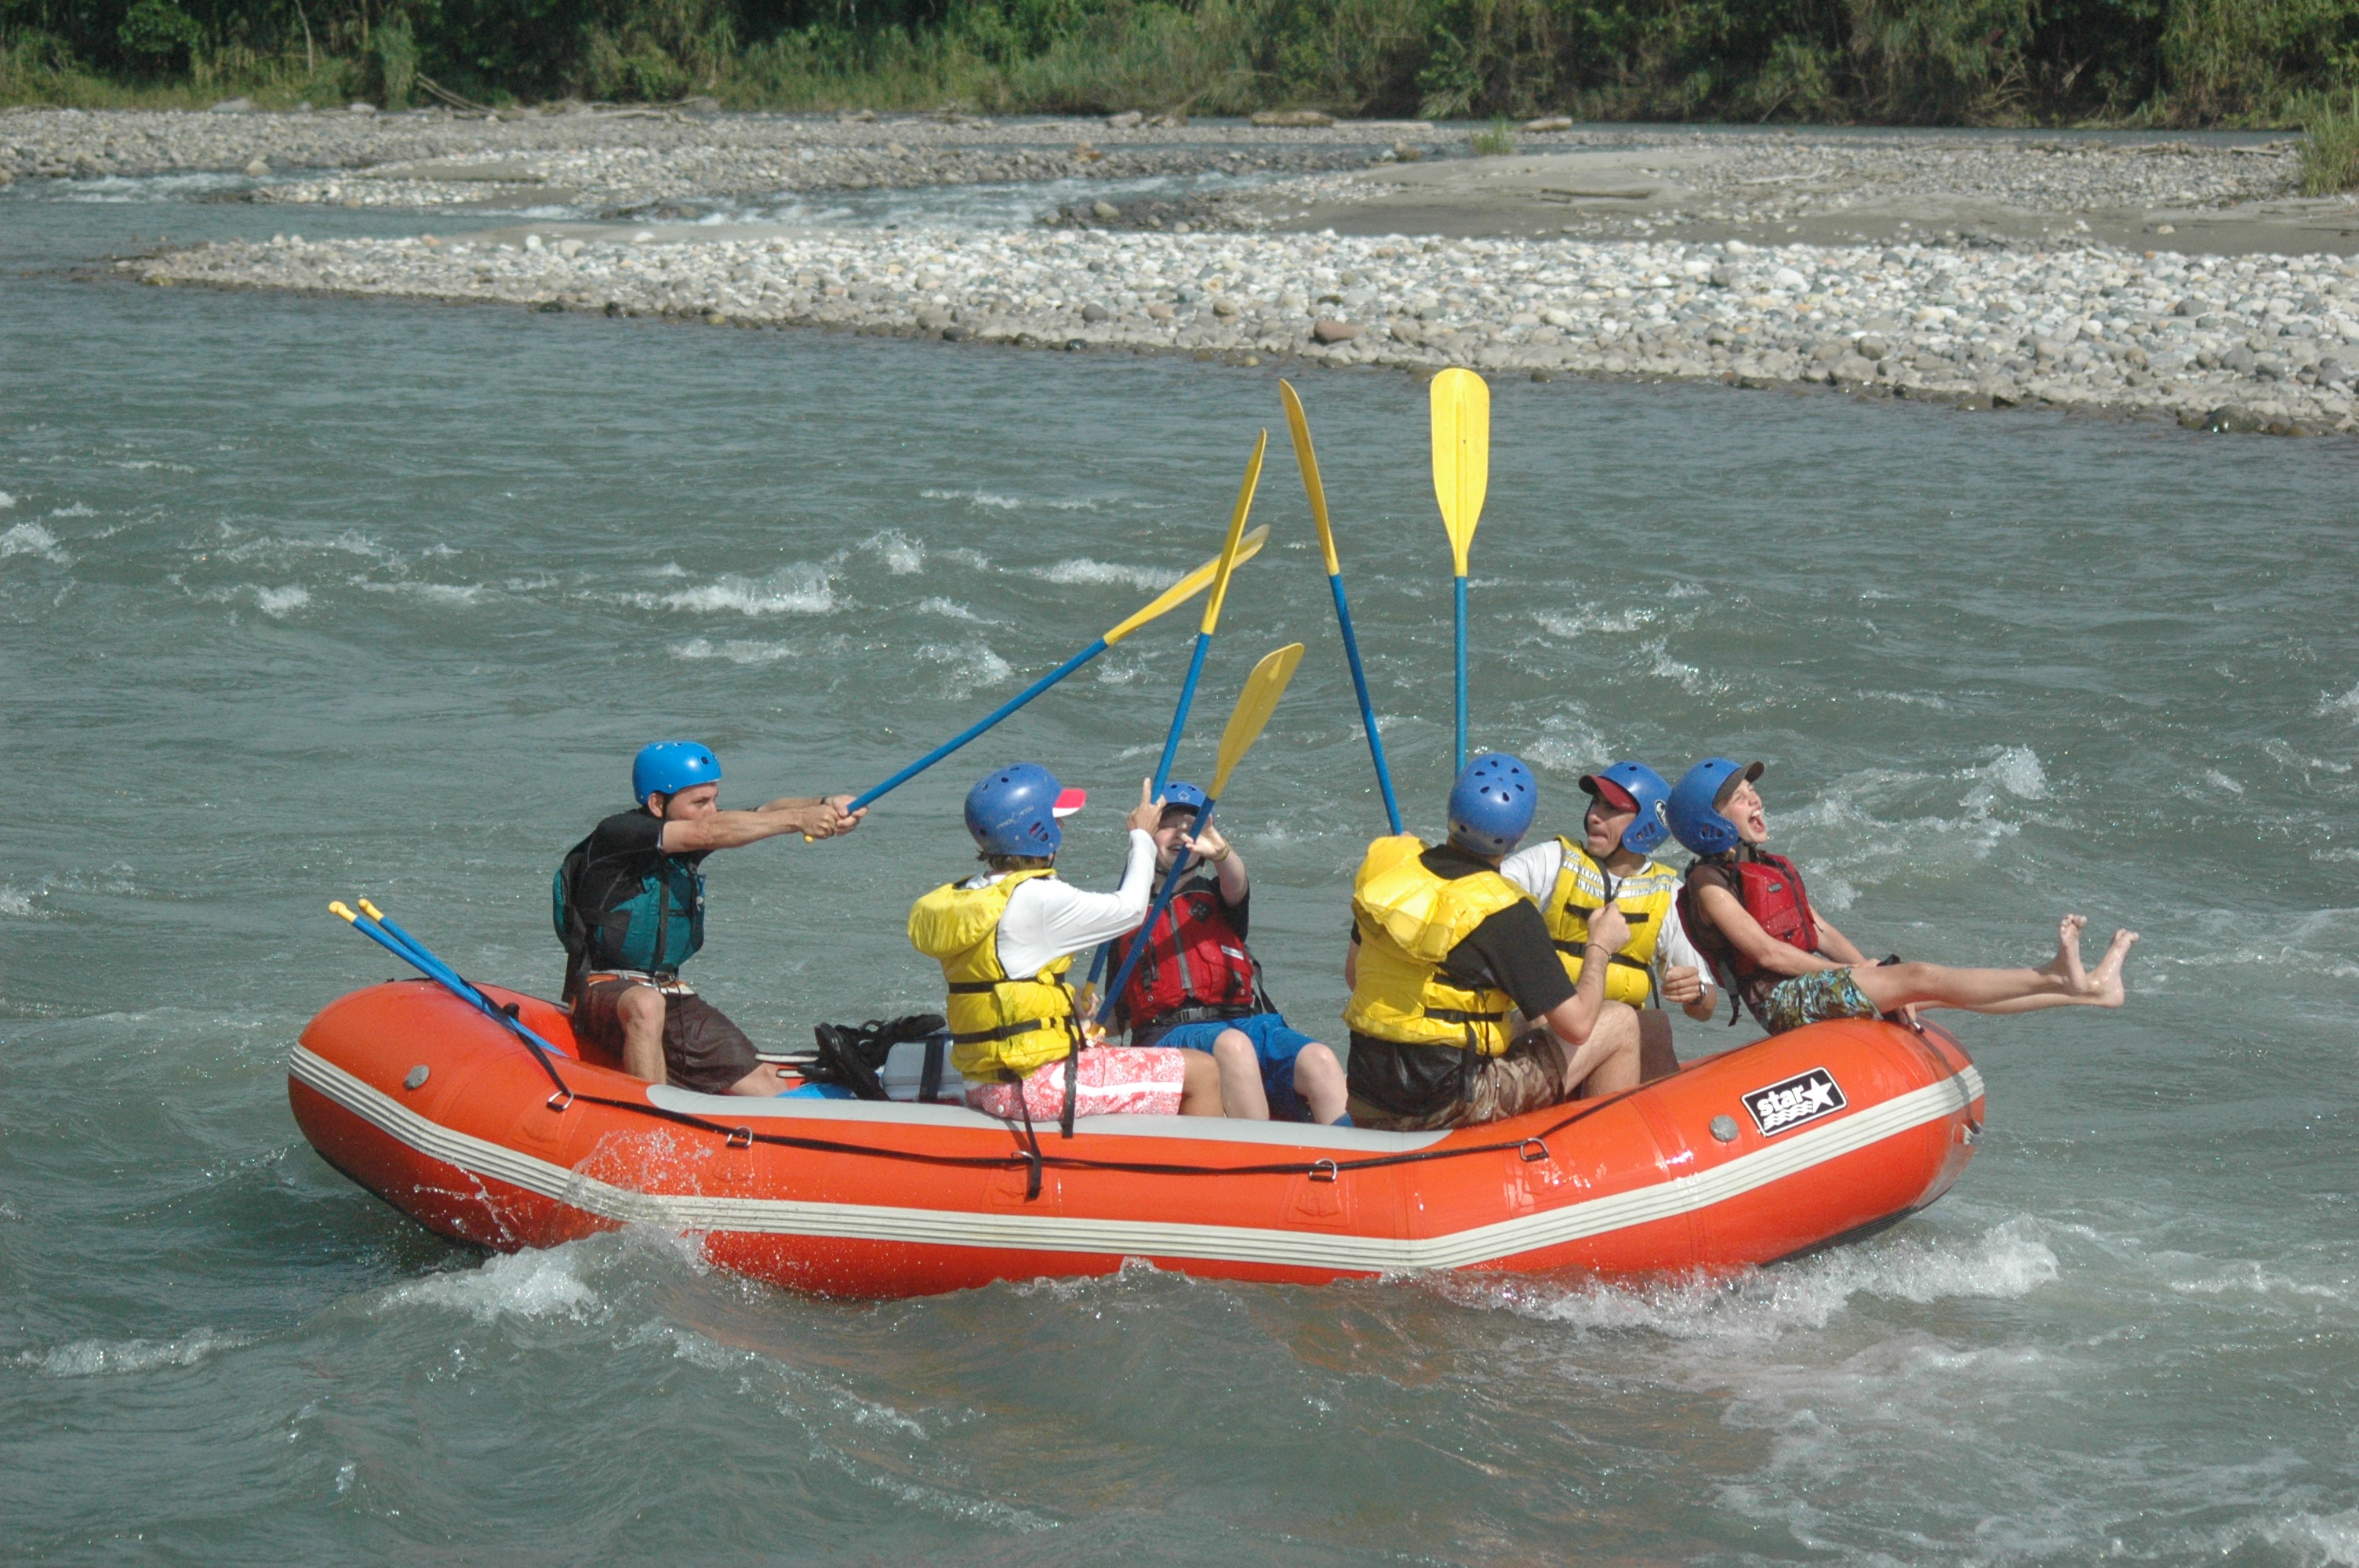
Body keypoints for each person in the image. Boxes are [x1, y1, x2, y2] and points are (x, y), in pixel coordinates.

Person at [1667, 758, 2137, 1035]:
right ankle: (2052, 973)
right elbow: (1766, 951)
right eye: (1742, 798)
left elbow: (1820, 929)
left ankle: (2088, 991)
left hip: (1811, 986)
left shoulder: (1766, 866)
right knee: (1920, 976)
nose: (1757, 802)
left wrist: (1863, 966)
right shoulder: (1710, 884)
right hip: (1783, 1002)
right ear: (1711, 820)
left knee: (1936, 992)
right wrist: (1854, 973)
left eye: (1754, 793)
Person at [907, 764, 1237, 1123]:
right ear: (1038, 830)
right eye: (1057, 820)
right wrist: (1141, 837)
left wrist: (1068, 998)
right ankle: (1203, 1176)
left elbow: (1003, 976)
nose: (1062, 828)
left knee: (1105, 1048)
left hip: (985, 1082)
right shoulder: (1038, 896)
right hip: (1034, 1087)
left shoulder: (972, 893)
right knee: (1202, 1071)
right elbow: (1129, 912)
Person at [1341, 753, 1644, 1131]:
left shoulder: (1389, 870)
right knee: (1619, 1022)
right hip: (1449, 1106)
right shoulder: (1506, 912)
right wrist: (1600, 945)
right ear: (1517, 836)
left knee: (1529, 1021)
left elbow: (1355, 976)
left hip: (1368, 1096)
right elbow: (1578, 1026)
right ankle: (1605, 1157)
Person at [554, 741, 863, 1095]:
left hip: (669, 991)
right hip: (601, 989)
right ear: (657, 803)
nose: (713, 810)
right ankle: (649, 1125)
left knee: (765, 1084)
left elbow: (763, 812)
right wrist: (798, 820)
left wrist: (826, 805)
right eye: (700, 802)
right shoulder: (619, 834)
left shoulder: (688, 835)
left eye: (714, 799)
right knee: (646, 1003)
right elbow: (708, 832)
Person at [1102, 782, 1349, 1124]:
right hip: (1168, 1035)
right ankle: (1259, 1161)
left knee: (1319, 1058)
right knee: (1233, 1046)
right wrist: (1084, 1019)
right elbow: (1116, 1017)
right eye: (1168, 825)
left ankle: (1350, 1163)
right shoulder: (1125, 914)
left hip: (1241, 1022)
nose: (1181, 833)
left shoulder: (1220, 898)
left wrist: (1220, 851)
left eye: (1192, 826)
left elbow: (1237, 880)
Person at [1499, 761, 1716, 1081]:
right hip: (1545, 1027)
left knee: (1645, 1026)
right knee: (1544, 1019)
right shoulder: (1553, 859)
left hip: (1615, 1037)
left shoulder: (1668, 893)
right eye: (1596, 803)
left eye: (1612, 808)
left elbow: (1707, 1006)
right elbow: (1480, 888)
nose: (1593, 816)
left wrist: (1694, 991)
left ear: (1645, 825)